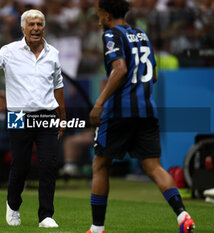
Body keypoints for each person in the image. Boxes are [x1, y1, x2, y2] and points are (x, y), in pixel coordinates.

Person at [87, 1, 195, 233]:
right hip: (147, 110)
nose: (98, 20)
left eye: (99, 15)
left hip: (119, 112)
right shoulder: (141, 33)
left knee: (100, 164)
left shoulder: (110, 35)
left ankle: (97, 229)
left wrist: (99, 103)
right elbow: (153, 75)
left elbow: (120, 69)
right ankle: (182, 215)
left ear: (106, 15)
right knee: (154, 166)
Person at [0, 9, 66, 228]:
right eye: (31, 24)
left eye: (39, 24)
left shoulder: (53, 53)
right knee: (20, 165)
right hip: (18, 115)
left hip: (47, 115)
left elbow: (58, 86)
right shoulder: (9, 51)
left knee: (48, 165)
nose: (35, 28)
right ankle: (13, 205)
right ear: (23, 28)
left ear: (44, 27)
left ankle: (46, 215)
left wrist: (62, 118)